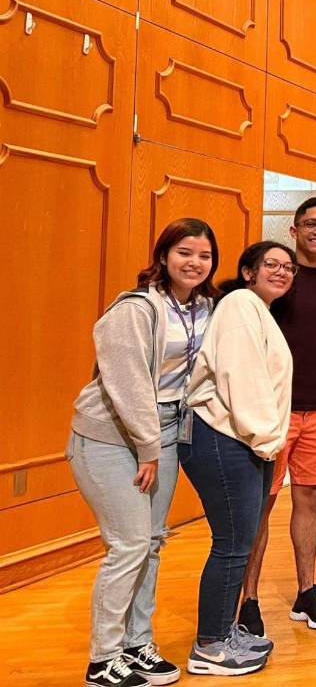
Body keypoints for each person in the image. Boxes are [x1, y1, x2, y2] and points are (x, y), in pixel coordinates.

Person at [70, 218, 219, 687]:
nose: (194, 262)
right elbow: (127, 381)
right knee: (128, 544)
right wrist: (148, 447)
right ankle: (103, 658)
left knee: (152, 542)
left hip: (166, 430)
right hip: (112, 437)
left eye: (204, 255)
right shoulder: (135, 309)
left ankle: (137, 644)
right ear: (163, 256)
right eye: (184, 252)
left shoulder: (204, 308)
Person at [180, 242, 295, 677]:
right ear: (248, 271)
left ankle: (223, 631)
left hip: (244, 439)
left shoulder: (258, 310)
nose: (282, 272)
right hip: (225, 438)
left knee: (238, 541)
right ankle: (210, 644)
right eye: (272, 264)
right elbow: (240, 377)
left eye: (288, 268)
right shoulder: (241, 305)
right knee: (231, 545)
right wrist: (267, 439)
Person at [240, 199, 316, 634]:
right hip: (272, 411)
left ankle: (306, 591)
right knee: (259, 507)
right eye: (311, 224)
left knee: (310, 500)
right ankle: (247, 599)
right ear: (295, 229)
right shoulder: (276, 279)